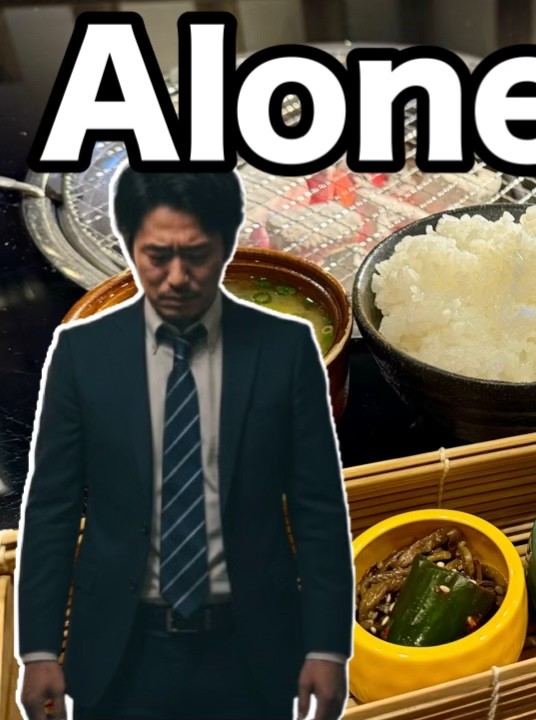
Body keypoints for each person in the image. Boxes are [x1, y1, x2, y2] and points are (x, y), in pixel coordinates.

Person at [15, 168, 354, 720]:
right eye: (156, 254)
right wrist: (38, 651)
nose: (176, 277)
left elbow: (318, 506)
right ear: (130, 243)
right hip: (118, 645)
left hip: (254, 641)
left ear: (224, 244)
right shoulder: (81, 354)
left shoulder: (287, 347)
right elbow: (51, 509)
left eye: (196, 253)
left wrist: (327, 647)